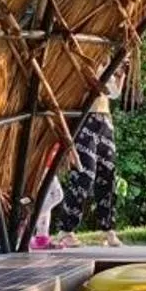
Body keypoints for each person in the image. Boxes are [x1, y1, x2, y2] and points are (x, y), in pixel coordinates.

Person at [32, 71, 124, 250]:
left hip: (104, 120)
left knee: (108, 173)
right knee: (84, 175)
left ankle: (108, 229)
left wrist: (120, 76)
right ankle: (66, 230)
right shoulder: (82, 60)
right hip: (84, 119)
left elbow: (113, 93)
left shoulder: (106, 62)